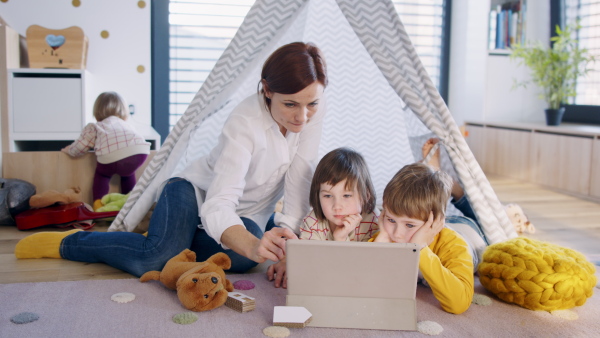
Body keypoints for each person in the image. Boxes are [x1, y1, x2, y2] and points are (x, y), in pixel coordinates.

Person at [15, 42, 328, 278]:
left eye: (312, 103)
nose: (302, 117)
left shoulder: (311, 111)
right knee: (154, 259)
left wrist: (289, 244)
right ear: (268, 91)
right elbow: (219, 201)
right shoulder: (245, 122)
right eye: (290, 104)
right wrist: (250, 242)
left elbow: (300, 178)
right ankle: (70, 243)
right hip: (194, 193)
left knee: (248, 258)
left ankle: (174, 237)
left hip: (246, 214)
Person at [371, 138, 488, 315]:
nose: (397, 234)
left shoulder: (455, 246)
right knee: (423, 203)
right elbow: (363, 278)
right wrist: (379, 243)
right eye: (390, 219)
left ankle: (452, 187)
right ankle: (432, 174)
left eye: (409, 225)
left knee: (480, 218)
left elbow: (459, 303)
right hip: (433, 218)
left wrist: (421, 249)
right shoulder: (387, 234)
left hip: (468, 231)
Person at [268, 147, 379, 288]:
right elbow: (311, 267)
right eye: (327, 196)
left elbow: (362, 271)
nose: (337, 206)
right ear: (318, 195)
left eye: (346, 196)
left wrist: (341, 240)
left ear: (366, 196)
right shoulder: (313, 222)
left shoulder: (372, 220)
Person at [61, 92, 150, 210]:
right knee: (128, 174)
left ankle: (98, 204)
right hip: (139, 153)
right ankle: (130, 205)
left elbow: (80, 147)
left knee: (102, 175)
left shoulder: (96, 126)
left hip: (111, 157)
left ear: (97, 111)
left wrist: (69, 150)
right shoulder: (127, 125)